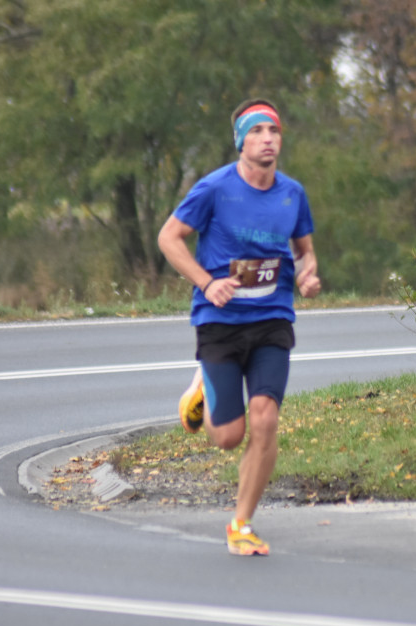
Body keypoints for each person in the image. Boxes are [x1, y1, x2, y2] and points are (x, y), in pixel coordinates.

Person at [157, 98, 321, 556]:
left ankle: (241, 524)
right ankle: (203, 391)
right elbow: (168, 238)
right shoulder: (214, 189)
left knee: (265, 418)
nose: (268, 139)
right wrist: (207, 283)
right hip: (220, 321)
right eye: (257, 132)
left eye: (274, 131)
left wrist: (308, 274)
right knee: (228, 437)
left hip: (271, 319)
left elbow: (305, 250)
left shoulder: (293, 193)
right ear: (241, 142)